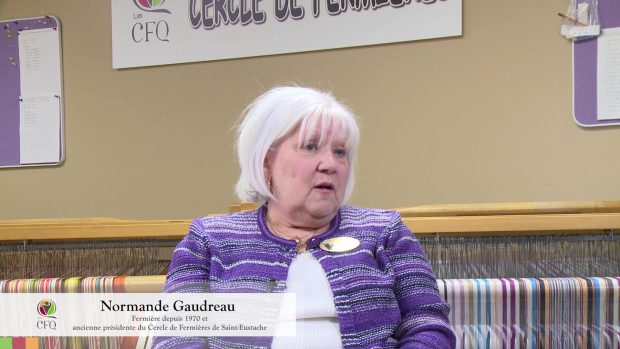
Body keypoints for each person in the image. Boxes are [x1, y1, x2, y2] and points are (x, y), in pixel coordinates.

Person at [153, 86, 455, 348]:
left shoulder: (385, 232)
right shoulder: (209, 239)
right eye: (310, 147)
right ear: (266, 160)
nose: (330, 164)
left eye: (340, 152)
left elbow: (428, 324)